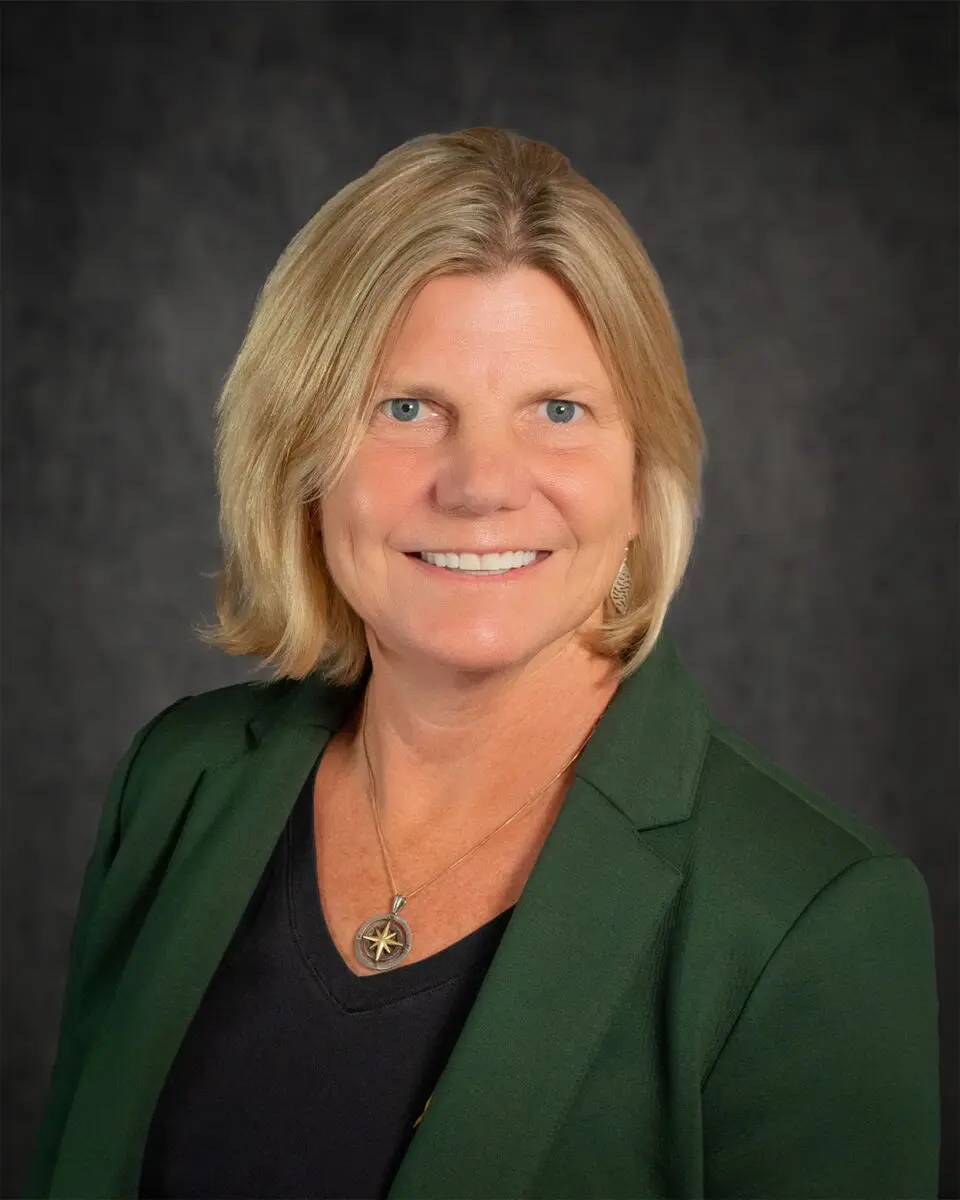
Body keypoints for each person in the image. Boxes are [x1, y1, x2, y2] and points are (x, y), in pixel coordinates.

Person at [26, 127, 939, 1200]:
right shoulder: (177, 784)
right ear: (302, 458)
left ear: (642, 481)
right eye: (407, 409)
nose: (481, 485)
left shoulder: (806, 920)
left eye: (559, 412)